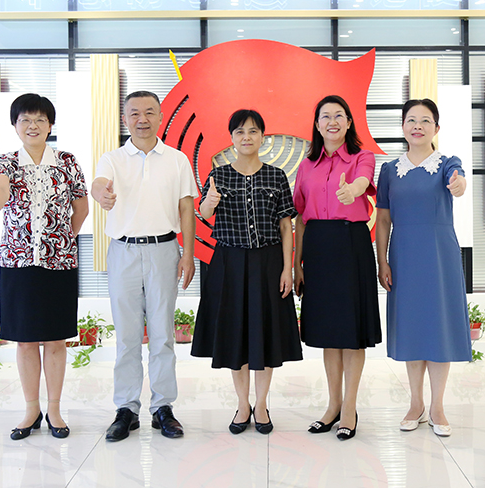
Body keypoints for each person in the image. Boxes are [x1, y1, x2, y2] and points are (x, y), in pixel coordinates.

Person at [0, 93, 89, 441]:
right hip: (18, 262)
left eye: (40, 119)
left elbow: (82, 207)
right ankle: (31, 409)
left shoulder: (67, 161)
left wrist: (63, 238)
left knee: (56, 339)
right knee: (26, 341)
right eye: (25, 119)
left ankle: (54, 409)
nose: (33, 125)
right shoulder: (6, 162)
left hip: (59, 262)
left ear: (50, 125)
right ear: (15, 125)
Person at [91, 90, 197, 441]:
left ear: (161, 117)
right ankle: (126, 408)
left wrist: (188, 254)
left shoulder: (177, 159)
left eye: (149, 112)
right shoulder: (112, 158)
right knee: (127, 335)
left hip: (164, 250)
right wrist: (101, 194)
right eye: (134, 113)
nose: (142, 119)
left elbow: (186, 207)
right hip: (123, 251)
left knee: (163, 335)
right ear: (125, 119)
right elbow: (98, 184)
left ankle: (163, 407)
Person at [191, 109, 302, 435]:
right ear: (231, 138)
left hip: (268, 263)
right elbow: (204, 213)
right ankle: (242, 404)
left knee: (265, 335)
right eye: (240, 132)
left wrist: (286, 268)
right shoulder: (219, 175)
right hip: (229, 263)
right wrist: (210, 201)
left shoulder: (276, 176)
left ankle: (262, 404)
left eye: (253, 131)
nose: (246, 137)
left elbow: (286, 226)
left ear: (262, 137)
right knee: (235, 335)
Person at [375, 98, 471, 438]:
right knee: (412, 328)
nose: (418, 126)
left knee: (438, 328)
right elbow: (382, 219)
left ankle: (437, 406)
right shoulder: (389, 170)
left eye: (425, 120)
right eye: (411, 120)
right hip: (403, 254)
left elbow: (458, 181)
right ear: (403, 126)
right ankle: (415, 403)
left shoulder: (447, 163)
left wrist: (459, 184)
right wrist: (382, 260)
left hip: (439, 255)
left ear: (436, 128)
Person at [293, 95, 382, 441]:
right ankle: (333, 405)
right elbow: (300, 218)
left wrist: (352, 192)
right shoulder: (306, 165)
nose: (332, 122)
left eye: (339, 116)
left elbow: (362, 182)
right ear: (317, 125)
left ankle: (349, 409)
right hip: (317, 248)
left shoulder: (362, 157)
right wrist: (298, 265)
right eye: (325, 116)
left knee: (351, 331)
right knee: (329, 333)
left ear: (348, 122)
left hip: (350, 245)